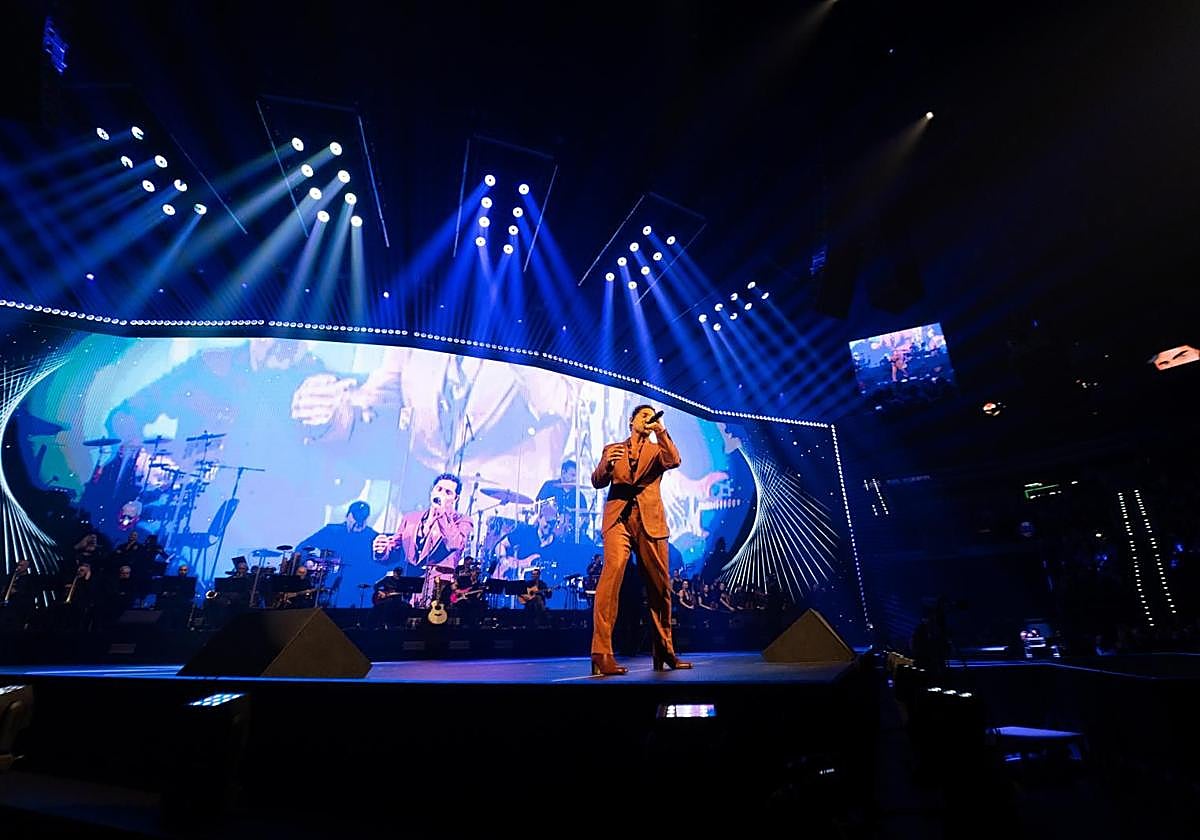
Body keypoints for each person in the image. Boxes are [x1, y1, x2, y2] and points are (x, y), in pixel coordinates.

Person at [589, 405, 689, 676]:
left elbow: (674, 460)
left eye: (651, 416)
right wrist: (605, 464)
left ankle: (664, 651)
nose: (648, 419)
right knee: (611, 578)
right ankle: (601, 652)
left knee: (660, 588)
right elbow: (598, 481)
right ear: (631, 420)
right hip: (618, 519)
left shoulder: (657, 450)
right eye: (643, 416)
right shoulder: (613, 448)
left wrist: (661, 432)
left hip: (650, 521)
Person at [372, 474, 474, 602]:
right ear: (432, 490)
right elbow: (394, 551)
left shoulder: (462, 521)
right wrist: (381, 551)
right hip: (407, 586)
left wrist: (442, 513)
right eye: (439, 489)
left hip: (439, 589)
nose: (441, 494)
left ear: (455, 498)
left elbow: (455, 543)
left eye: (448, 492)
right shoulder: (410, 518)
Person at [295, 500, 379, 606]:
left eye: (362, 519)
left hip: (356, 593)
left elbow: (380, 566)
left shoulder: (372, 537)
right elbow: (302, 547)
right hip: (326, 589)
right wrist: (309, 562)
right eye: (355, 518)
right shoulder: (332, 531)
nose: (358, 523)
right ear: (347, 516)